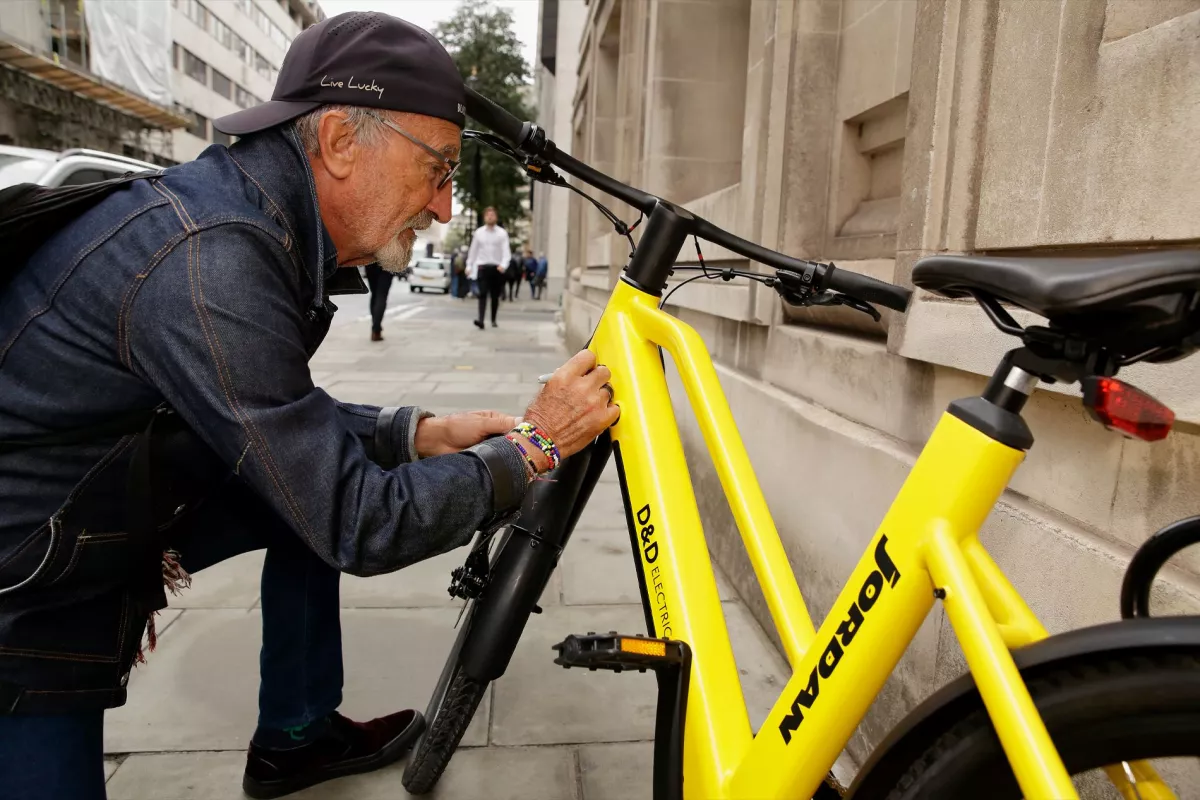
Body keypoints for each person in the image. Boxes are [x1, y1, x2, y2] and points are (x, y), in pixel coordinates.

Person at [0, 12, 618, 800]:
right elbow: (356, 520)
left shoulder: (252, 218)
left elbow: (275, 421)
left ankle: (295, 734)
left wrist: (417, 433)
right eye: (437, 168)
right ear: (339, 141)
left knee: (301, 495)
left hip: (106, 493)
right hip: (29, 573)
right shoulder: (211, 256)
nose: (443, 207)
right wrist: (532, 448)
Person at [466, 206, 510, 328]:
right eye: (488, 215)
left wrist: (503, 265)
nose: (490, 217)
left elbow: (506, 251)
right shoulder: (479, 233)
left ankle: (493, 319)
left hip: (497, 268)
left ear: (496, 217)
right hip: (483, 267)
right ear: (485, 217)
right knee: (482, 293)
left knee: (495, 296)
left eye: (492, 215)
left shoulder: (502, 233)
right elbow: (473, 251)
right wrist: (469, 265)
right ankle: (481, 320)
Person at [365, 262, 393, 340]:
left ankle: (376, 327)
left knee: (374, 294)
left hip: (371, 262)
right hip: (388, 262)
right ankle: (376, 329)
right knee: (381, 295)